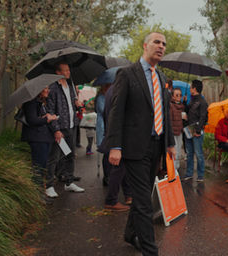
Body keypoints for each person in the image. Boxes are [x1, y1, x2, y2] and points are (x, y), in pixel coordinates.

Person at [106, 32, 175, 255]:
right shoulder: (127, 74)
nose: (161, 46)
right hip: (134, 148)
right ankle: (150, 250)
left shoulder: (163, 79)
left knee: (142, 195)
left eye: (164, 44)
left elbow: (164, 112)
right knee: (144, 201)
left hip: (156, 147)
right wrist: (115, 146)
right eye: (157, 42)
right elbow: (116, 112)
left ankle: (129, 233)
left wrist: (170, 143)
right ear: (145, 45)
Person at [46, 62, 85, 195]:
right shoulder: (53, 88)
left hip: (71, 126)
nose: (68, 72)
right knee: (54, 157)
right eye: (65, 70)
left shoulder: (70, 85)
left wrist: (77, 104)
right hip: (60, 128)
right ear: (58, 72)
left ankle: (69, 182)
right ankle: (49, 186)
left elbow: (71, 104)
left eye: (69, 70)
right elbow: (50, 110)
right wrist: (56, 130)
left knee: (69, 155)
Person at [99, 84, 132, 212]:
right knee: (119, 168)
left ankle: (128, 195)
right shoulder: (118, 90)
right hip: (120, 134)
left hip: (116, 134)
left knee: (122, 168)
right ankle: (111, 200)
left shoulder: (110, 91)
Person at [21, 87, 58, 196]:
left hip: (43, 138)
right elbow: (32, 120)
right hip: (37, 139)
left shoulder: (40, 102)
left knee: (42, 166)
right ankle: (38, 194)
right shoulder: (31, 102)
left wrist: (46, 116)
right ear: (39, 90)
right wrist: (47, 119)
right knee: (39, 167)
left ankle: (40, 193)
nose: (48, 90)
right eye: (45, 88)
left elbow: (38, 117)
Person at [184, 80, 208, 182]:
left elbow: (203, 117)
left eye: (191, 87)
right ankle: (189, 173)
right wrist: (185, 103)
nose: (190, 89)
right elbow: (187, 112)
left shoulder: (202, 102)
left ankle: (200, 175)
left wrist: (198, 131)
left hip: (197, 131)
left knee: (198, 154)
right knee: (189, 153)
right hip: (188, 130)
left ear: (195, 89)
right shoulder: (191, 100)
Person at [95, 84, 111, 186]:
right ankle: (107, 177)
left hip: (110, 126)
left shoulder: (110, 96)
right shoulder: (101, 97)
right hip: (103, 126)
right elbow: (103, 110)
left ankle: (110, 175)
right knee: (106, 152)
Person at [170, 88, 186, 171]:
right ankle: (173, 171)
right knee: (174, 152)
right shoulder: (170, 105)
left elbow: (183, 110)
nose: (179, 96)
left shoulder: (182, 106)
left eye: (180, 95)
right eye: (177, 95)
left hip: (180, 131)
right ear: (172, 96)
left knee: (179, 151)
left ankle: (177, 169)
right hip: (173, 132)